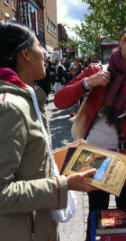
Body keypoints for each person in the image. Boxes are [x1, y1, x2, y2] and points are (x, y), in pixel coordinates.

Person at [54, 25, 126, 241]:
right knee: (96, 214)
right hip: (96, 156)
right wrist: (87, 84)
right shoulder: (96, 71)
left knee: (124, 215)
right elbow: (60, 100)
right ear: (121, 41)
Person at [0, 19, 97, 241]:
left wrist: (64, 157)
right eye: (39, 47)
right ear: (24, 54)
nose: (44, 53)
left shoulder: (25, 96)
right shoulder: (9, 107)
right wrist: (65, 185)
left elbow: (25, 161)